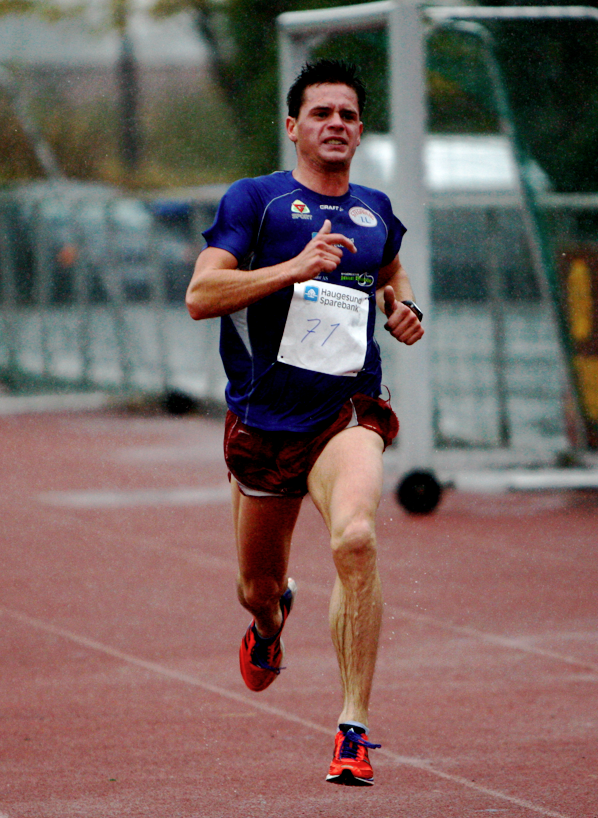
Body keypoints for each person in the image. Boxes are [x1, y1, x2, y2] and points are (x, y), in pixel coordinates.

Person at [185, 59, 424, 786]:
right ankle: (268, 623)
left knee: (355, 539)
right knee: (254, 586)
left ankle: (351, 729)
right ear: (293, 128)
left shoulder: (375, 210)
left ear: (359, 131)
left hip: (345, 412)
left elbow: (388, 270)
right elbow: (200, 294)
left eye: (348, 115)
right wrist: (292, 269)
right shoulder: (255, 202)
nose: (335, 125)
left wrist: (400, 306)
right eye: (321, 113)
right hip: (263, 423)